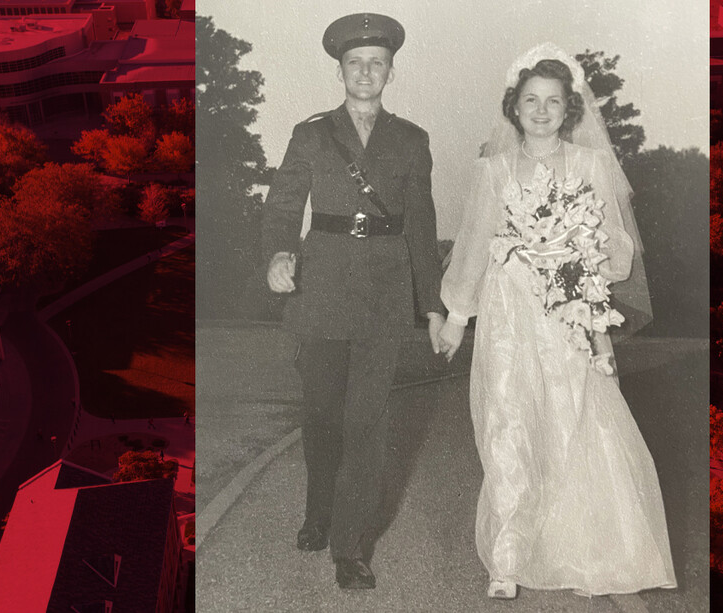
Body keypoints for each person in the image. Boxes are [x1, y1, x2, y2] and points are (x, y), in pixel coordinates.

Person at [438, 43, 676, 599]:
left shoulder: (592, 164)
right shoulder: (492, 170)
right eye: (529, 100)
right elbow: (474, 247)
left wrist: (589, 254)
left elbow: (616, 250)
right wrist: (456, 317)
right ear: (513, 107)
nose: (540, 110)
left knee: (579, 417)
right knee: (508, 420)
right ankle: (508, 558)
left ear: (570, 107)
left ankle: (593, 550)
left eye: (552, 101)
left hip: (570, 307)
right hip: (508, 307)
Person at [263, 13, 444, 590]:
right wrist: (277, 254)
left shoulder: (412, 140)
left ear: (391, 71)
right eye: (355, 62)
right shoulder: (311, 133)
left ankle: (351, 547)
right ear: (340, 70)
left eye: (377, 62)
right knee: (322, 417)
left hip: (386, 294)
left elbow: (421, 224)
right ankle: (319, 511)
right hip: (321, 289)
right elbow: (285, 206)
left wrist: (433, 304)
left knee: (367, 421)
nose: (366, 71)